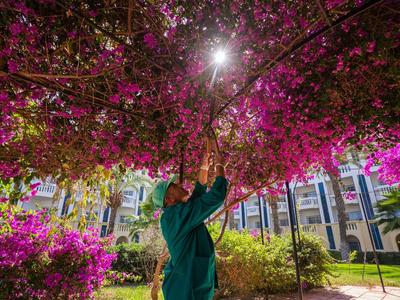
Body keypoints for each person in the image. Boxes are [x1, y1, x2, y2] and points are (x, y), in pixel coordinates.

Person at [152, 137, 228, 300]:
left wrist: (205, 165)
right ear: (169, 199)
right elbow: (217, 196)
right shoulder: (176, 216)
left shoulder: (176, 214)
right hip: (186, 289)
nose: (181, 185)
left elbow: (198, 193)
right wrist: (220, 165)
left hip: (187, 286)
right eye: (175, 187)